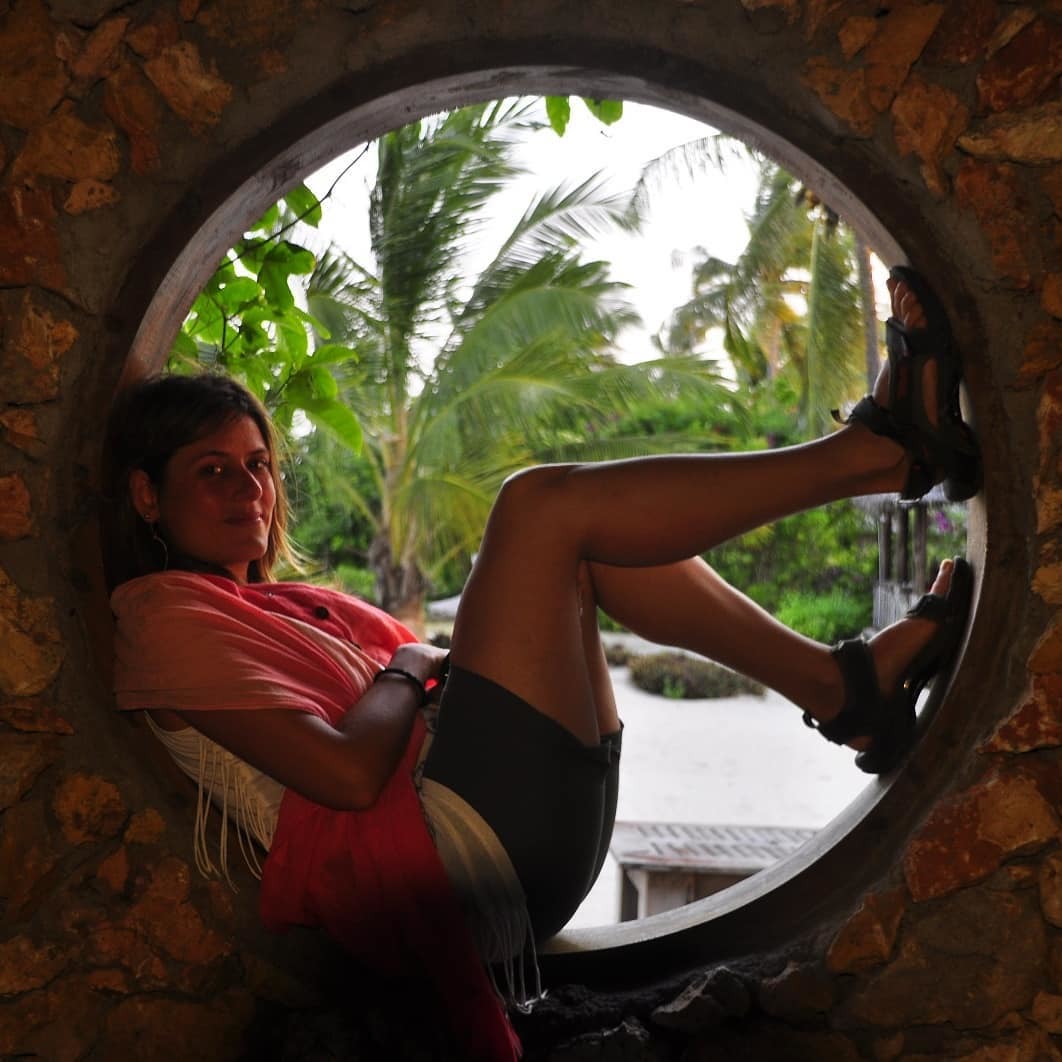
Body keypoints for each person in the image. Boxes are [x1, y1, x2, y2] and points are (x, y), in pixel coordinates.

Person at [101, 267, 979, 1060]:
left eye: (257, 465)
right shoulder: (162, 617)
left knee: (591, 550)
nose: (249, 489)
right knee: (535, 508)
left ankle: (843, 689)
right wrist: (407, 664)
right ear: (146, 494)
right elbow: (346, 774)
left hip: (509, 835)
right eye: (212, 470)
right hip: (461, 862)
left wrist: (422, 669)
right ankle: (877, 457)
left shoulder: (277, 606)